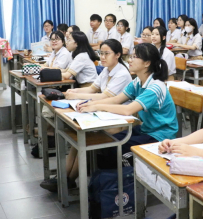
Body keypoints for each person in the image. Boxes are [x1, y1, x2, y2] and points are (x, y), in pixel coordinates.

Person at [40, 40, 133, 192]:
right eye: (101, 53)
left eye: (106, 53)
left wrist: (74, 97)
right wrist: (72, 93)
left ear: (117, 55)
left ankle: (68, 179)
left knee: (86, 137)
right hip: (105, 113)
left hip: (118, 118)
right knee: (78, 136)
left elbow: (104, 96)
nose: (102, 57)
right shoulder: (106, 70)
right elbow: (92, 89)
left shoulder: (121, 73)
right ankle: (64, 178)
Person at [79, 43, 179, 170]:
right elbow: (116, 100)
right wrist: (91, 104)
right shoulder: (138, 81)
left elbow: (128, 110)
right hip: (147, 129)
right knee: (108, 140)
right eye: (131, 56)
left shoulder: (155, 86)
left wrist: (98, 107)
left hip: (160, 136)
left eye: (134, 57)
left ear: (147, 63)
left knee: (117, 147)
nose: (129, 60)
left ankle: (125, 181)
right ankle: (107, 180)